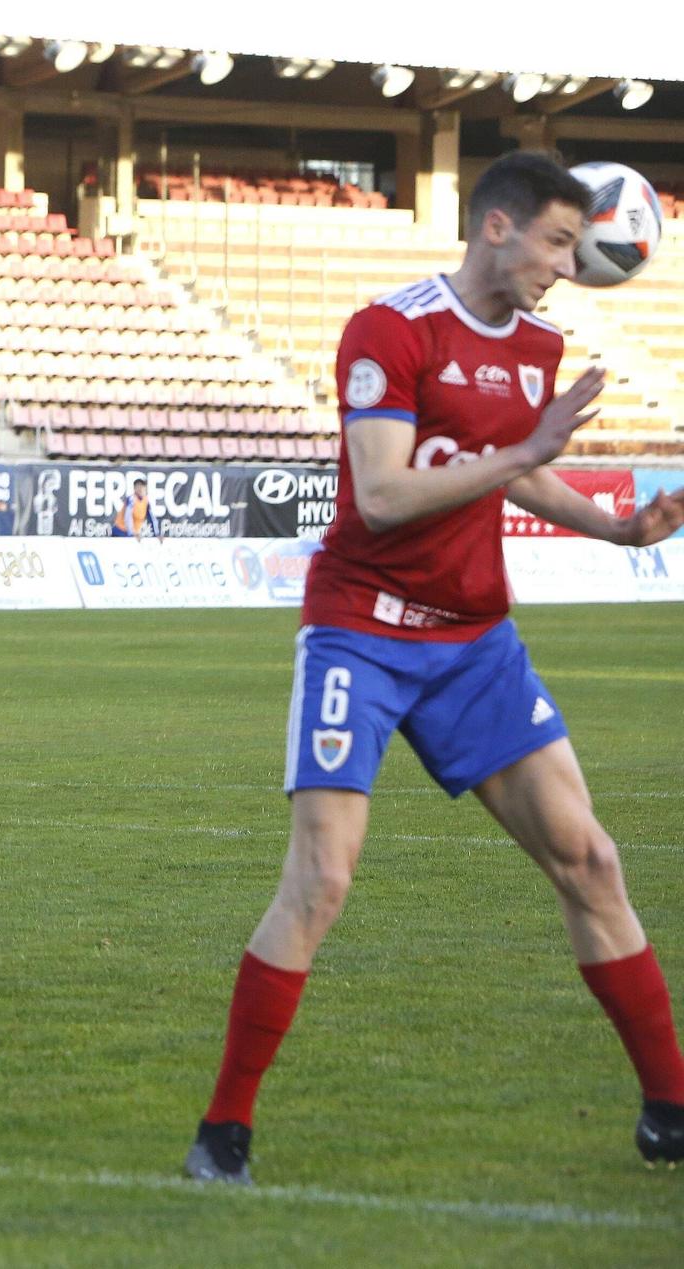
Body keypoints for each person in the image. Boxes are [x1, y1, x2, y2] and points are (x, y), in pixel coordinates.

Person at [183, 151, 684, 1186]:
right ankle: (222, 1131)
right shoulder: (390, 327)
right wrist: (525, 450)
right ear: (493, 229)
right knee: (320, 879)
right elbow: (382, 494)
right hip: (359, 631)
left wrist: (615, 529)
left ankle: (668, 1110)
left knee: (587, 861)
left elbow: (520, 469)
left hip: (471, 643)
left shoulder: (537, 345)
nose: (572, 263)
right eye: (555, 240)